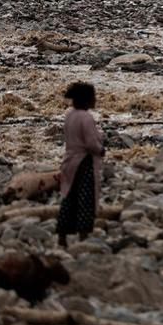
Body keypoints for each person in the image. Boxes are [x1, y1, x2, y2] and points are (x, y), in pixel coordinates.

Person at [57, 82, 103, 248]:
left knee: (69, 196)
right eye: (93, 97)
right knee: (85, 198)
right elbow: (91, 143)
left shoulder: (70, 115)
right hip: (84, 162)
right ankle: (83, 235)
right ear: (87, 100)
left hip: (69, 160)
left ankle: (62, 236)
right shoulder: (86, 117)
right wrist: (101, 149)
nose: (95, 100)